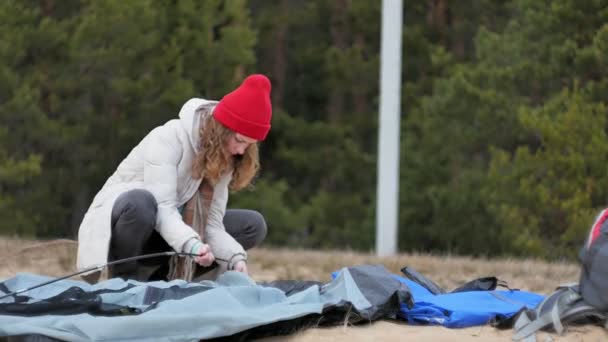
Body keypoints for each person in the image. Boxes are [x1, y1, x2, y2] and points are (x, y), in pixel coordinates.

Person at [76, 74, 272, 283]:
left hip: (172, 231)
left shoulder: (226, 157)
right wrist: (192, 245)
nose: (240, 151)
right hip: (132, 225)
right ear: (222, 128)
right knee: (141, 203)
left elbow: (212, 225)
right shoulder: (168, 138)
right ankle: (125, 282)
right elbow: (163, 207)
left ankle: (163, 283)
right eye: (239, 140)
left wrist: (235, 259)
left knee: (253, 224)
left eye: (248, 145)